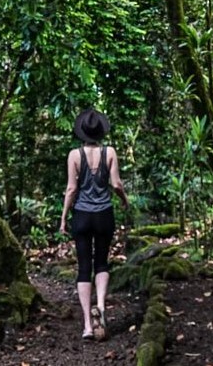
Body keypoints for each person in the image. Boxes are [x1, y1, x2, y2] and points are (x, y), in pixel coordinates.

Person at [59, 107, 129, 340]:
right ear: (100, 132)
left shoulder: (74, 155)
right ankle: (100, 305)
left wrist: (63, 218)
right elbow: (117, 184)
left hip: (81, 215)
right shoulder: (110, 152)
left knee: (83, 267)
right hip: (104, 214)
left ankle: (88, 325)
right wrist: (125, 202)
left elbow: (71, 189)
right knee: (102, 262)